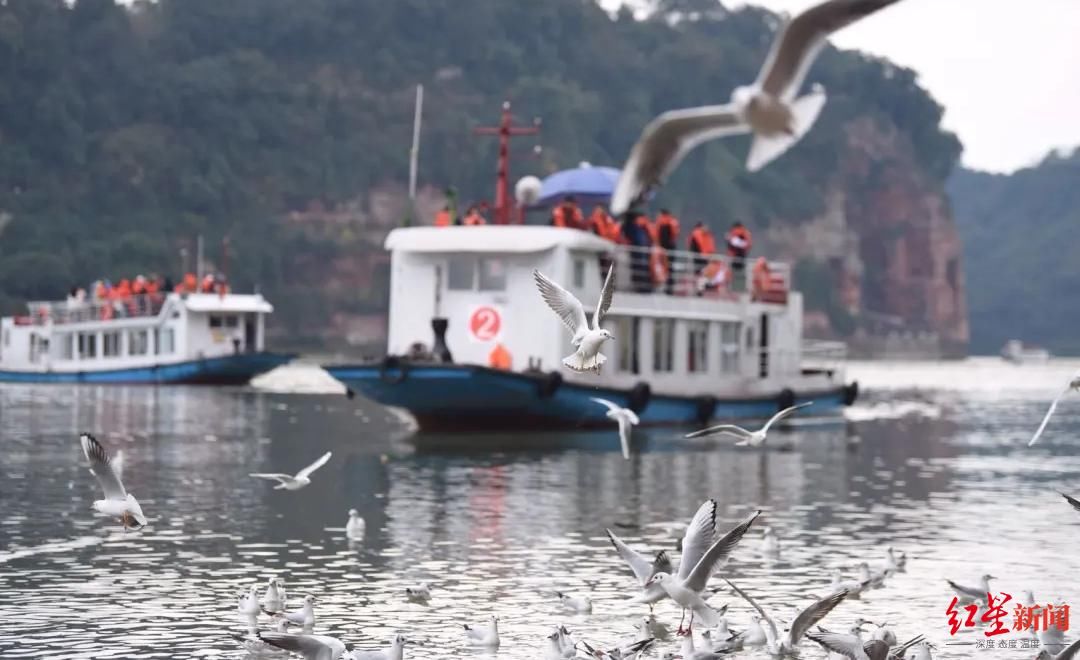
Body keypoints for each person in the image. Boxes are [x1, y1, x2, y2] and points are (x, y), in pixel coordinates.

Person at [655, 209, 680, 294]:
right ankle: (669, 288)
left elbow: (659, 236)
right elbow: (675, 235)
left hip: (664, 249)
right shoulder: (672, 221)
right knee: (670, 268)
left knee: (663, 268)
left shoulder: (662, 222)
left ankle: (664, 287)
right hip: (671, 249)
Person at [726, 221, 753, 290]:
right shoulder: (745, 233)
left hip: (735, 256)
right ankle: (739, 288)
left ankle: (733, 288)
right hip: (742, 256)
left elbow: (732, 243)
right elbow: (748, 245)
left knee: (733, 273)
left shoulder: (735, 232)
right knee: (740, 274)